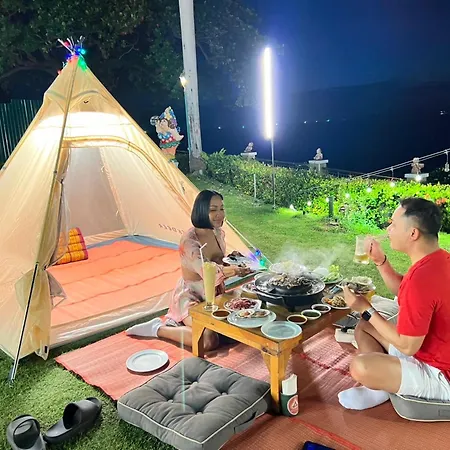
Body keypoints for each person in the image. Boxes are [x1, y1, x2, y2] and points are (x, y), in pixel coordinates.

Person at [339, 197, 450, 410]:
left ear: (413, 233)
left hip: (441, 374)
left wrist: (365, 308)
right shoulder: (439, 260)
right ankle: (384, 383)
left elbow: (408, 346)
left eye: (394, 224)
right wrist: (380, 261)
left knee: (360, 366)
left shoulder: (422, 278)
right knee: (365, 327)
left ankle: (381, 384)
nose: (388, 229)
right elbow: (407, 293)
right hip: (430, 349)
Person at [126, 190, 250, 350]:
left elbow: (217, 261)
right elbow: (208, 271)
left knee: (242, 314)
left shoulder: (218, 232)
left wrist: (234, 260)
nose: (220, 214)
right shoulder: (189, 242)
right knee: (209, 340)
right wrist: (235, 271)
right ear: (201, 211)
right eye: (213, 209)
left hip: (213, 294)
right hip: (191, 297)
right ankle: (158, 329)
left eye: (222, 208)